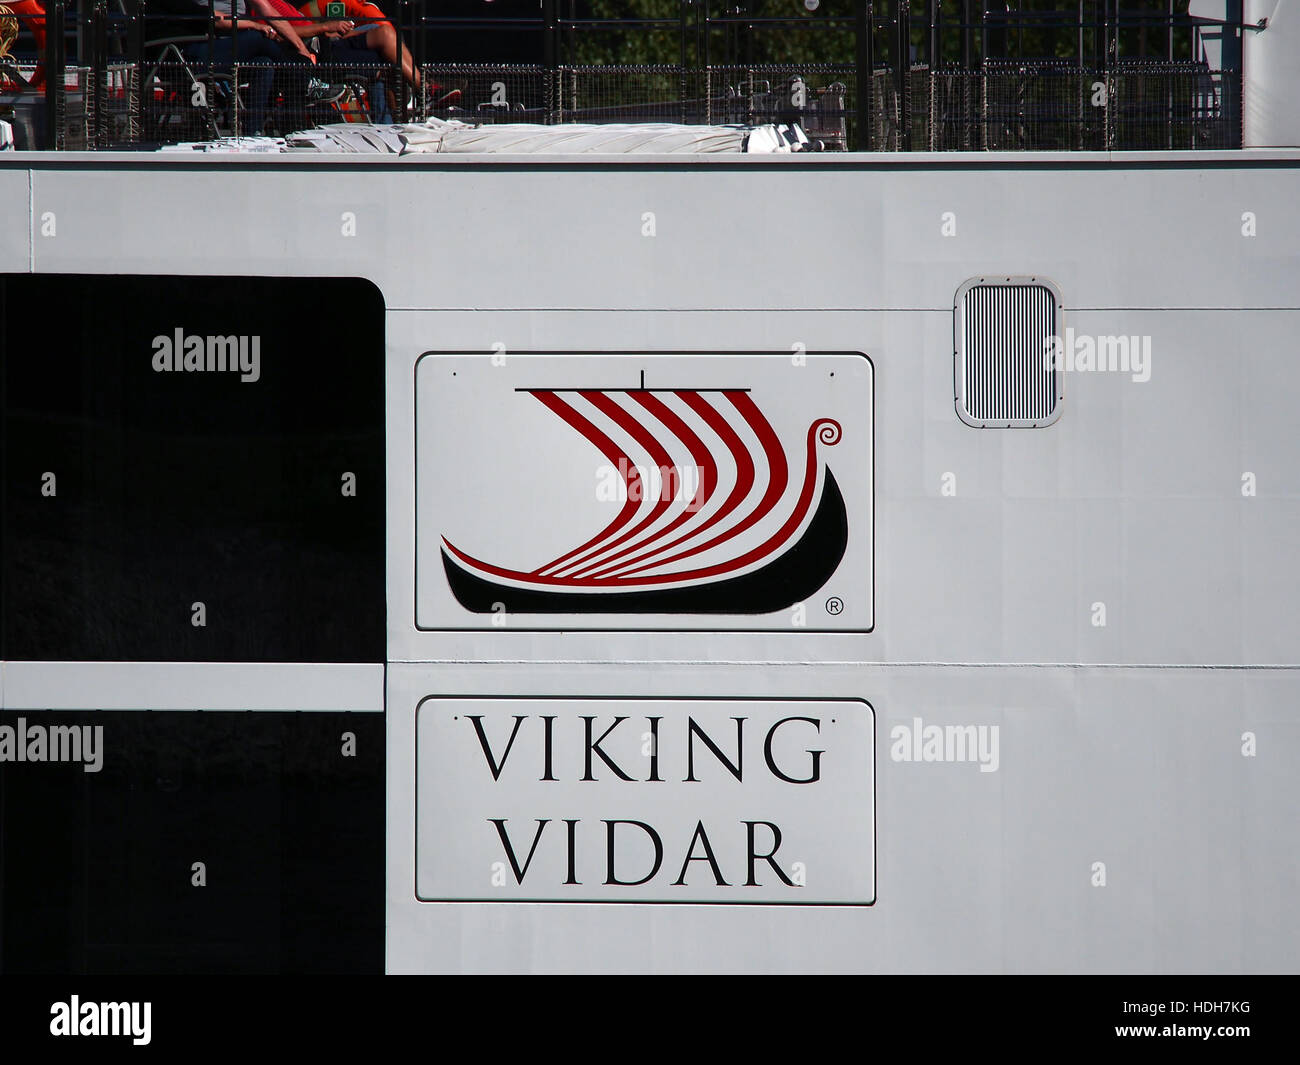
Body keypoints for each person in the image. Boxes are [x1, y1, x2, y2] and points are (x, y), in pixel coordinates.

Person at [182, 0, 328, 135]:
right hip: (208, 47)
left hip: (239, 47)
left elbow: (267, 10)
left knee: (264, 64)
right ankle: (306, 81)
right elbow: (215, 19)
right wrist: (254, 24)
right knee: (260, 39)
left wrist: (302, 49)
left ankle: (255, 132)